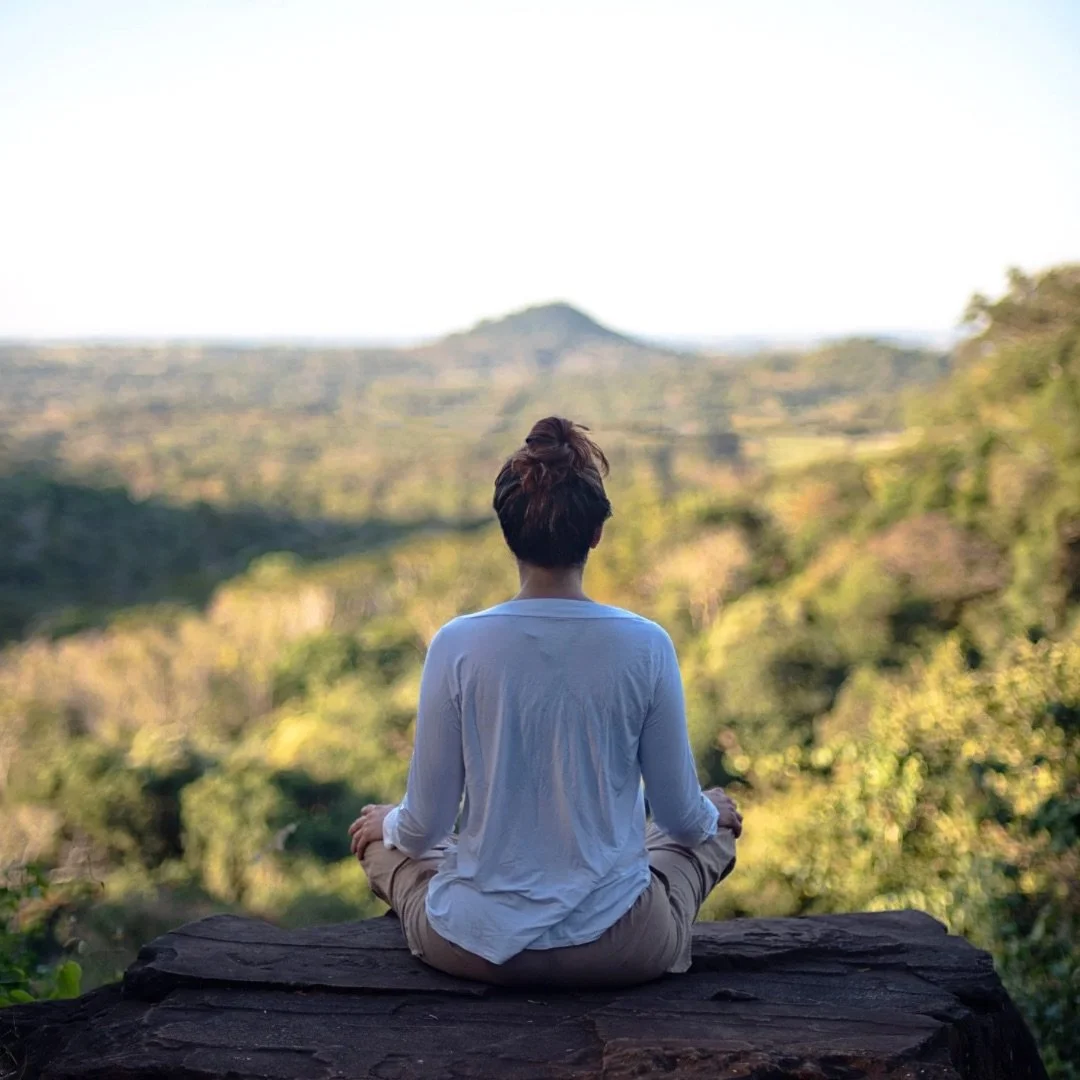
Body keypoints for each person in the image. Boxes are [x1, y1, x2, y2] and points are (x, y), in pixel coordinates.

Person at [349, 416, 741, 987]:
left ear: (508, 531)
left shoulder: (457, 643)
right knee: (709, 827)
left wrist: (390, 823)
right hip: (623, 948)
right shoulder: (646, 644)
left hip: (473, 947)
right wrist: (711, 814)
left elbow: (425, 828)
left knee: (382, 843)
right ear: (595, 534)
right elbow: (681, 821)